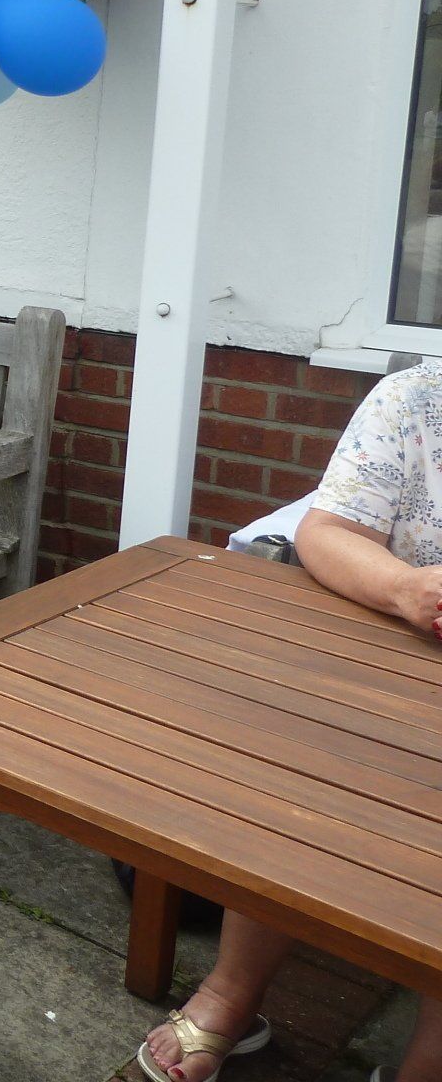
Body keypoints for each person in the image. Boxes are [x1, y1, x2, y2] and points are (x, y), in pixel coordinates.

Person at [136, 359, 442, 1082]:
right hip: (389, 667)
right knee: (295, 764)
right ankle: (232, 991)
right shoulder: (417, 398)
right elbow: (325, 532)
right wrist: (406, 589)